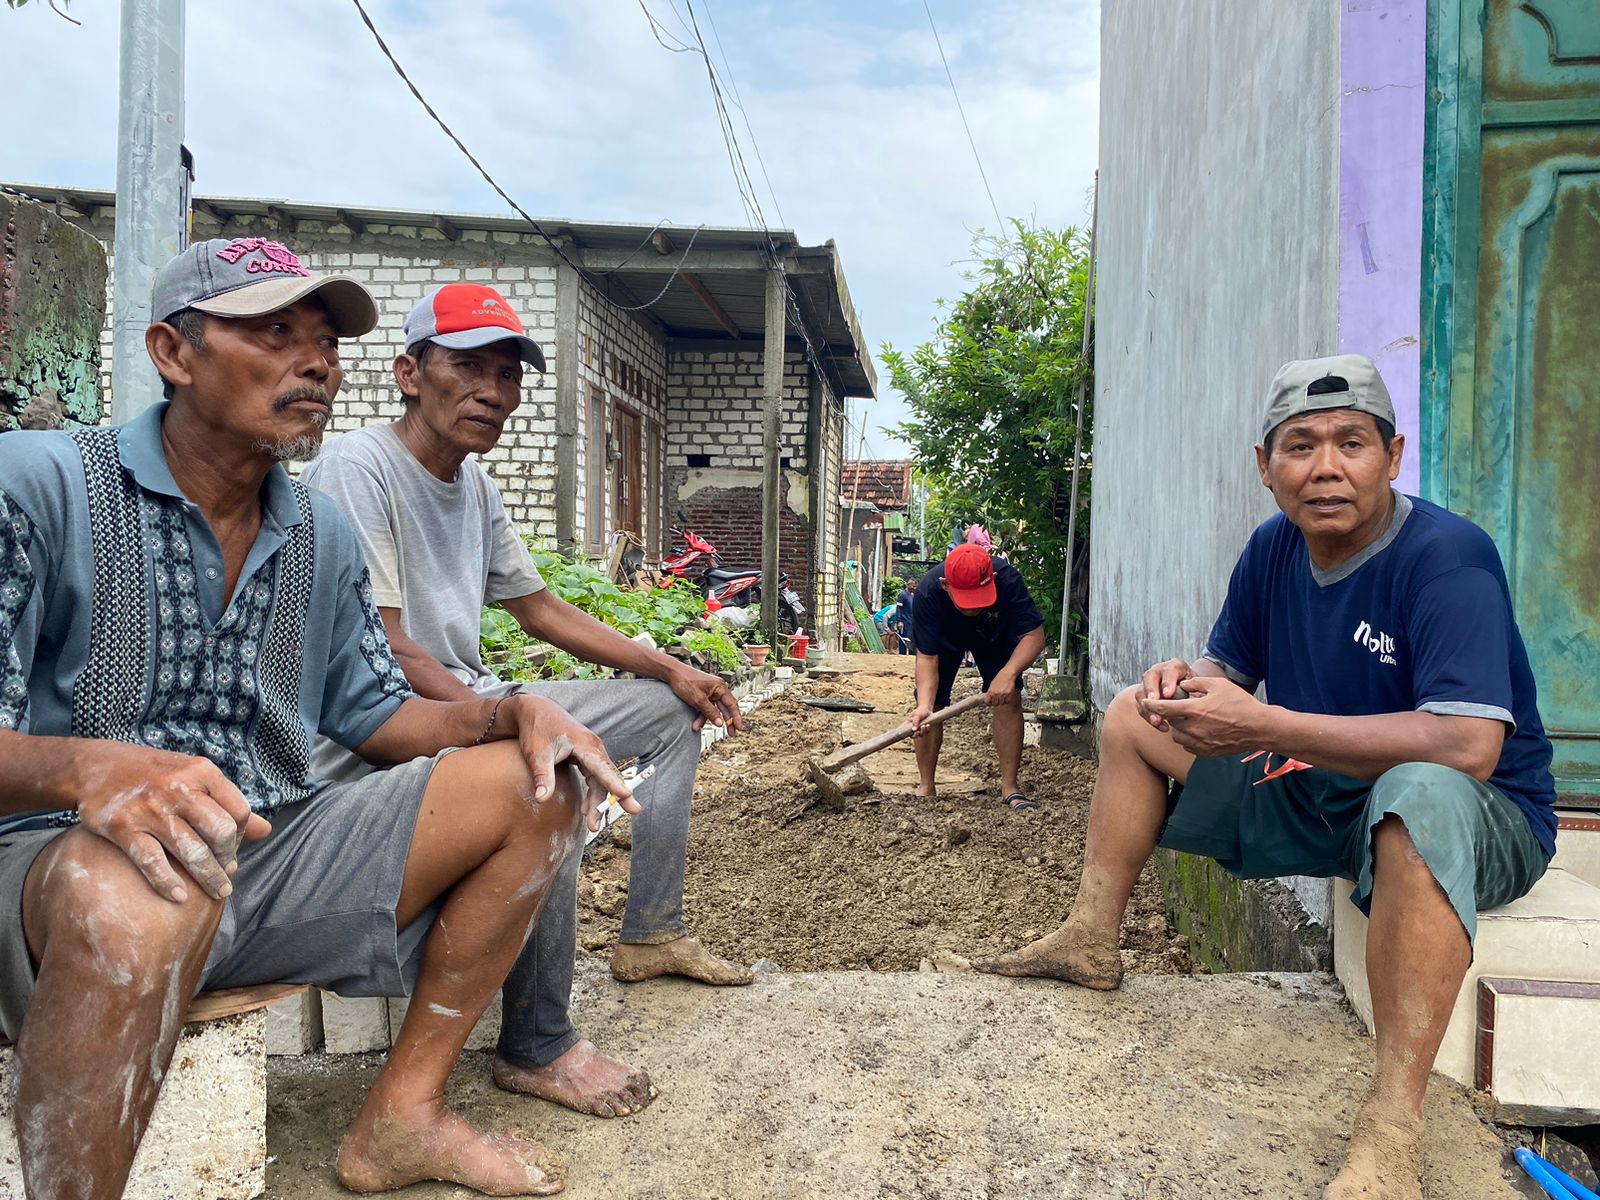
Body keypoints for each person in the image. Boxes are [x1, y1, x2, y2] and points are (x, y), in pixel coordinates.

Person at [0, 238, 640, 1198]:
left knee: (538, 781)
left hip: (268, 844)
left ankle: (402, 1117)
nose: (315, 362)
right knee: (132, 888)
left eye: (326, 342)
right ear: (173, 354)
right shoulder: (39, 486)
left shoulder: (318, 531)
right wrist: (98, 771)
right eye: (273, 331)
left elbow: (377, 712)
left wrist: (511, 713)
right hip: (64, 862)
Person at [976, 354, 1557, 1200]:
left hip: (1483, 813)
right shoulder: (1273, 548)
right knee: (1133, 715)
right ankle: (1092, 937)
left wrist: (1266, 725)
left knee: (1420, 790)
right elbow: (1231, 668)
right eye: (1301, 446)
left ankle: (1393, 1127)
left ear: (1392, 458)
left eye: (1351, 444)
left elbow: (1468, 747)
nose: (1326, 468)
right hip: (1330, 789)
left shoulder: (1448, 558)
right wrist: (1188, 687)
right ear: (1266, 465)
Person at [301, 283, 753, 1122]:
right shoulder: (358, 470)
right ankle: (537, 1040)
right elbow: (389, 652)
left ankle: (650, 931)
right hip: (383, 724)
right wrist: (515, 715)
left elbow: (539, 609)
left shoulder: (474, 487)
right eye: (468, 367)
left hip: (471, 697)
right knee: (551, 767)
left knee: (667, 713)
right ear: (408, 372)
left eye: (508, 375)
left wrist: (667, 668)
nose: (493, 392)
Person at [906, 544, 1045, 811]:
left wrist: (1008, 673)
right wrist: (924, 704)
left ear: (991, 580)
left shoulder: (1007, 579)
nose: (973, 608)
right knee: (930, 709)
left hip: (993, 634)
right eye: (966, 601)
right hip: (945, 641)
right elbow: (926, 657)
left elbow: (1033, 635)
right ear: (946, 585)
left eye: (979, 598)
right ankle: (926, 787)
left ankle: (1010, 787)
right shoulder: (928, 592)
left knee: (1009, 697)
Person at [892, 578, 917, 655]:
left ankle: (911, 653)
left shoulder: (912, 595)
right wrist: (899, 621)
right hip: (904, 621)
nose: (915, 588)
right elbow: (898, 609)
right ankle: (902, 654)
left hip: (911, 621)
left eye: (916, 586)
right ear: (908, 585)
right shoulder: (903, 595)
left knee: (911, 638)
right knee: (904, 639)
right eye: (913, 586)